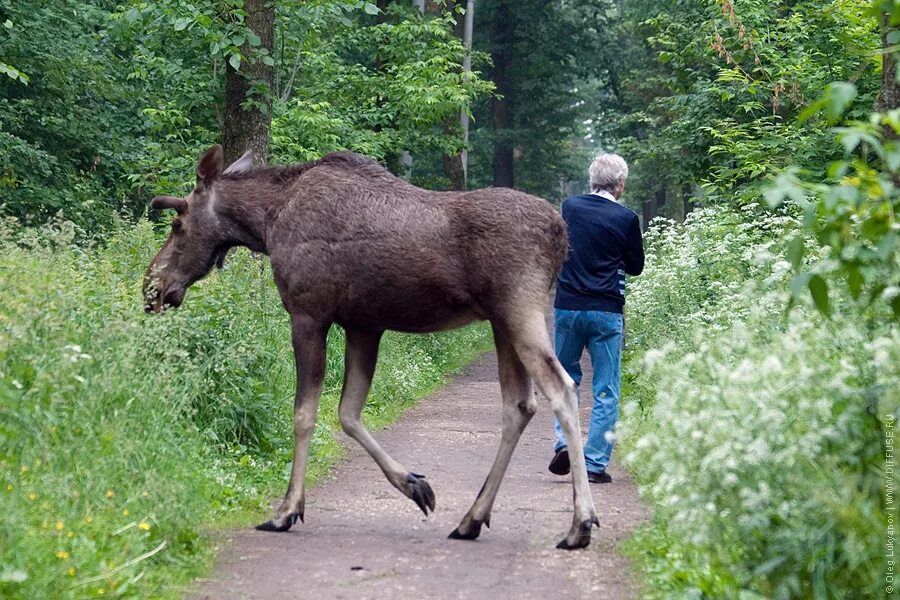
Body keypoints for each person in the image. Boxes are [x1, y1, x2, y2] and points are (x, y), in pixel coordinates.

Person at [548, 153, 644, 483]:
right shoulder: (626, 218)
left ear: (592, 180)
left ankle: (563, 444)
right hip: (606, 311)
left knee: (565, 377)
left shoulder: (570, 207)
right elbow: (636, 266)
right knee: (606, 388)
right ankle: (593, 464)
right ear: (619, 184)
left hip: (568, 307)